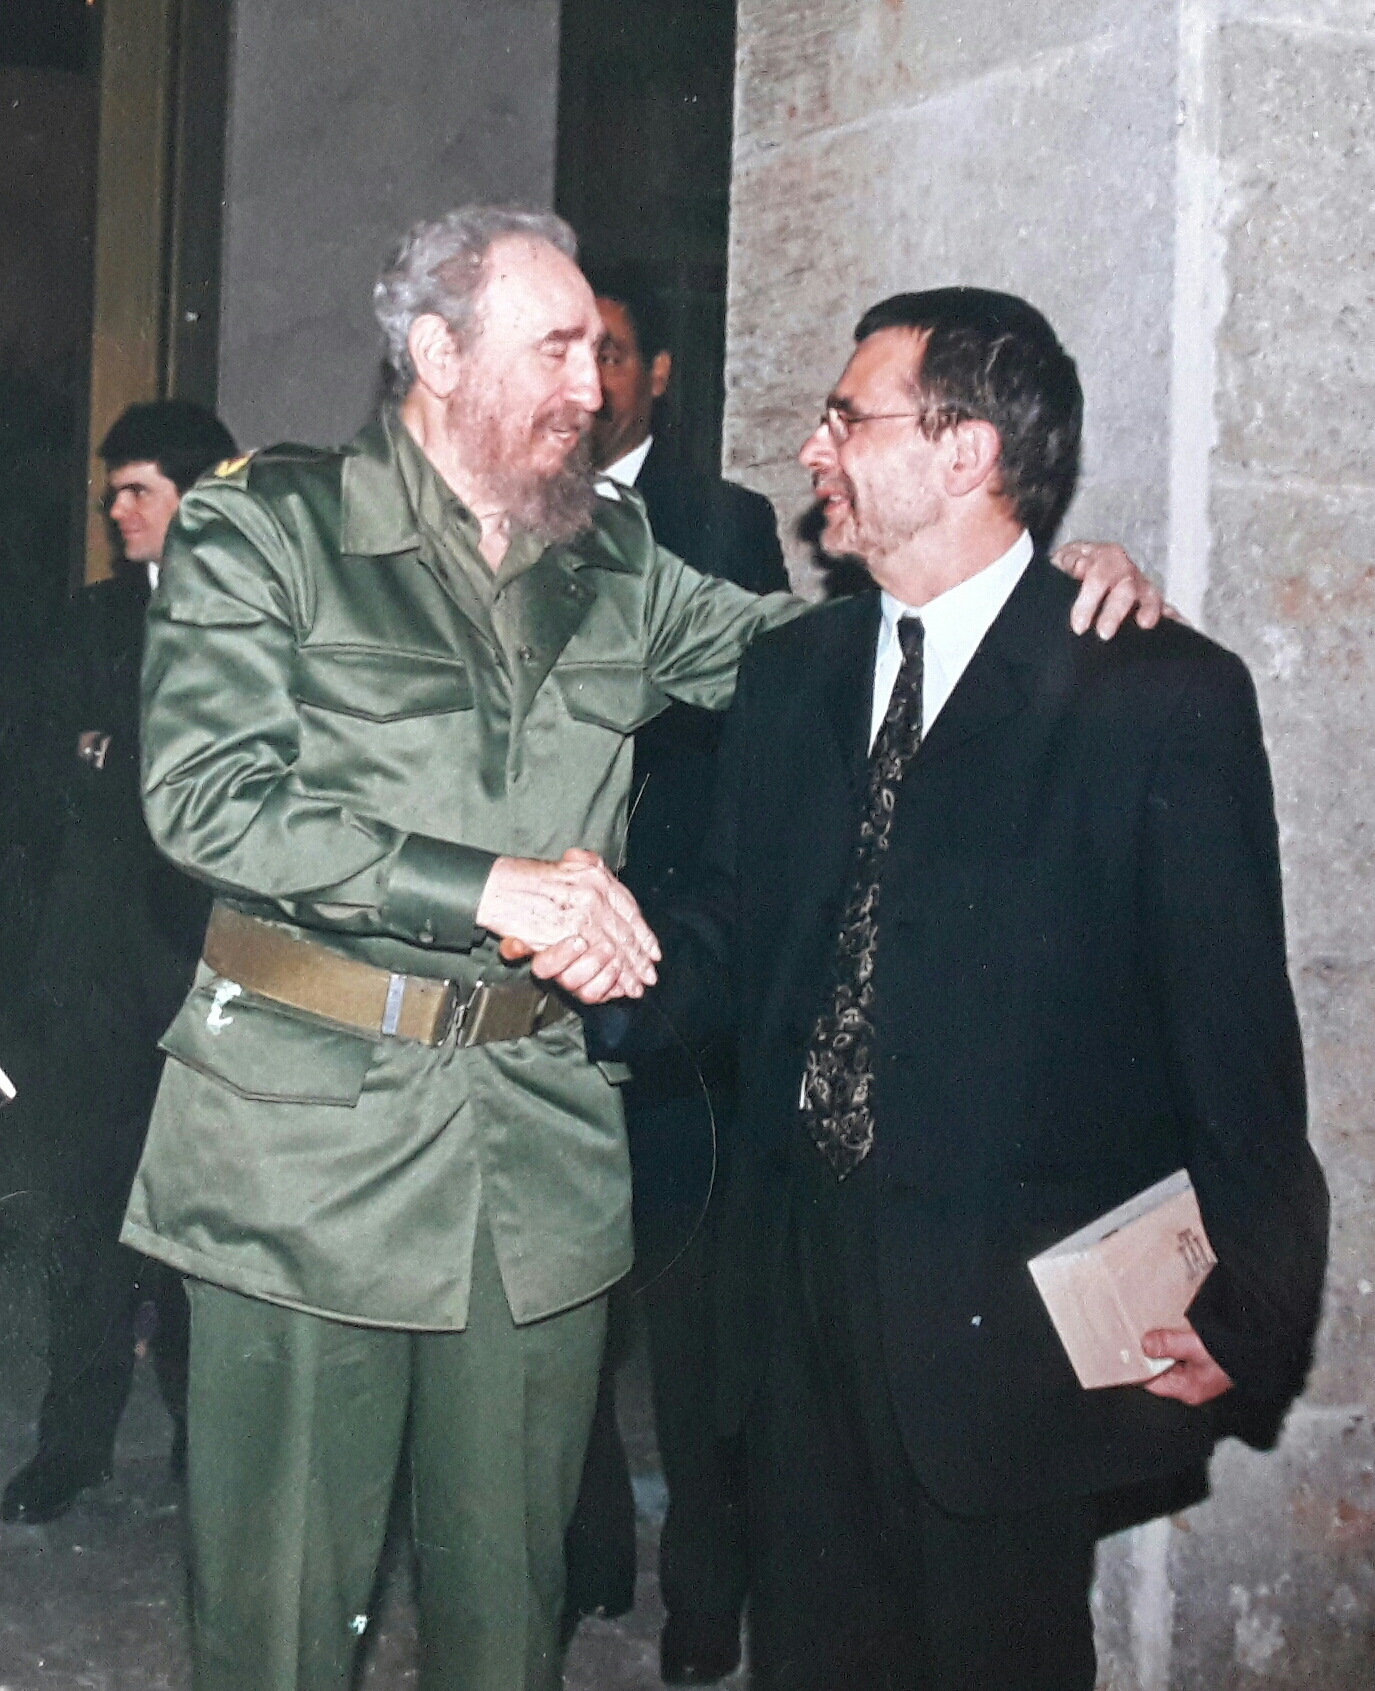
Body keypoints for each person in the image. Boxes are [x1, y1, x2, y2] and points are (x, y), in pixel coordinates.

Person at [122, 206, 1158, 1691]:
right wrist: (491, 886)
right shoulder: (266, 527)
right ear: (433, 354)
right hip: (302, 1150)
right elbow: (210, 797)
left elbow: (824, 665)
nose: (593, 386)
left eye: (599, 352)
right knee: (282, 1611)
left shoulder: (608, 552)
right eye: (555, 347)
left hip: (529, 1154)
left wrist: (1049, 600)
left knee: (509, 1603)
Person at [608, 288, 1329, 1690]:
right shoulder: (789, 671)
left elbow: (1233, 1033)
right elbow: (739, 939)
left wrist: (1255, 1305)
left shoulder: (1149, 690)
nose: (811, 448)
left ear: (963, 451)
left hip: (1007, 1330)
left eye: (844, 416)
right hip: (795, 1293)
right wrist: (614, 960)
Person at [562, 267, 789, 1683]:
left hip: (678, 978)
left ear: (655, 378)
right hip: (545, 971)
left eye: (611, 353)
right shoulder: (518, 512)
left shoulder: (722, 525)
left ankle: (706, 1593)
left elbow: (761, 721)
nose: (584, 380)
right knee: (559, 1309)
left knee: (698, 1331)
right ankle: (584, 1553)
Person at [2, 400, 236, 1525]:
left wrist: (116, 751)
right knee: (82, 1223)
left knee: (202, 1230)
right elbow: (41, 775)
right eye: (111, 492)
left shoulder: (250, 626)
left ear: (199, 494)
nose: (116, 511)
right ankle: (73, 1440)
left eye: (138, 489)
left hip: (205, 981)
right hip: (88, 979)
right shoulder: (83, 623)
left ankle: (211, 1447)